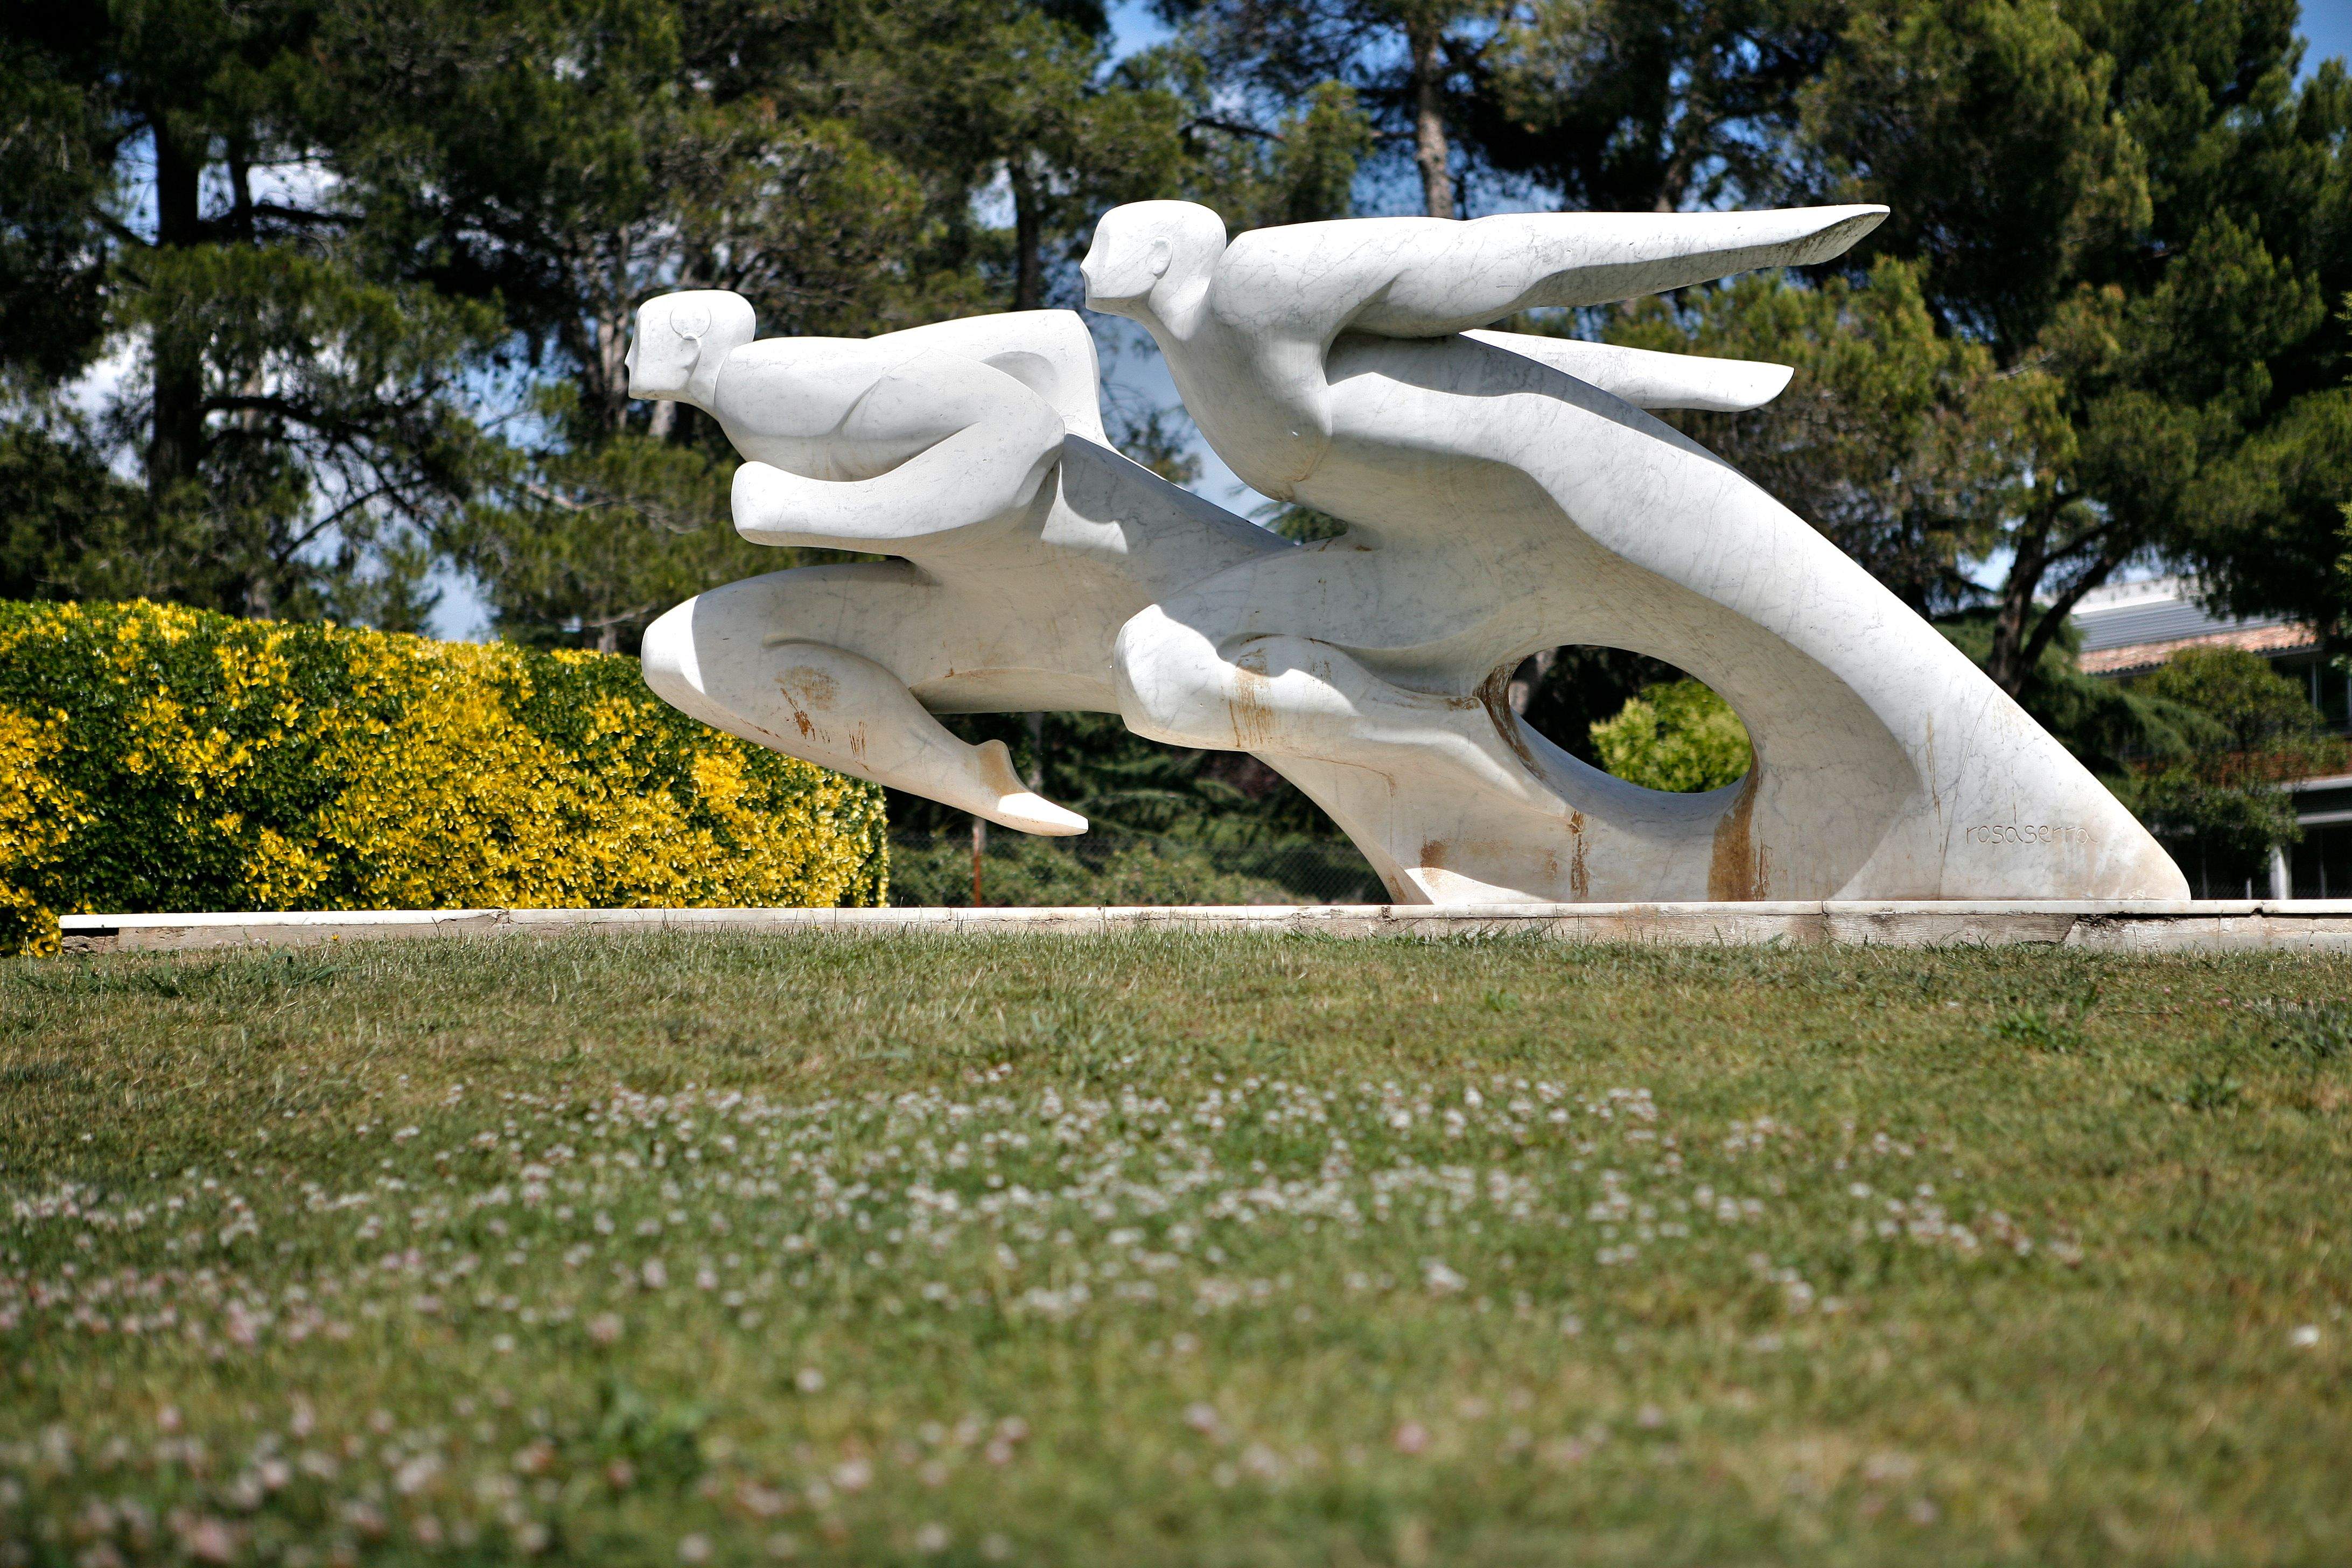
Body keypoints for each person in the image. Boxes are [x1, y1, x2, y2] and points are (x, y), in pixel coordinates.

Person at [626, 291, 1284, 835]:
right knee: (684, 653)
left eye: (640, 335)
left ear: (688, 339)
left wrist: (816, 508)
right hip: (1023, 596)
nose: (628, 353)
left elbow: (1019, 425)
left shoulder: (758, 383)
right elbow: (1049, 338)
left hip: (1096, 571)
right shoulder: (765, 392)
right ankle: (971, 777)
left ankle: (970, 778)